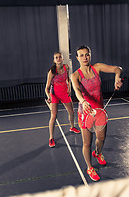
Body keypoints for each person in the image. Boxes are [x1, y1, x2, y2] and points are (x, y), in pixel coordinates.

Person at [71, 45, 123, 181]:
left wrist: (117, 77)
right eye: (81, 55)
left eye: (87, 54)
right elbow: (77, 91)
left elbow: (118, 68)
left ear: (90, 55)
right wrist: (83, 101)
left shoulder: (97, 67)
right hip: (85, 112)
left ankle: (98, 153)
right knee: (87, 143)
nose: (84, 57)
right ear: (77, 58)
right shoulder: (75, 75)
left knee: (101, 138)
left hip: (99, 111)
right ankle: (89, 167)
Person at [45, 52, 80, 148]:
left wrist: (69, 87)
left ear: (62, 58)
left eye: (60, 57)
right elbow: (47, 88)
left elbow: (68, 78)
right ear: (54, 60)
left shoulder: (66, 67)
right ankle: (51, 138)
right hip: (54, 95)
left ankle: (72, 127)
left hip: (65, 93)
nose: (59, 58)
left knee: (72, 112)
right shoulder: (52, 72)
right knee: (54, 116)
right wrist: (49, 96)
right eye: (56, 57)